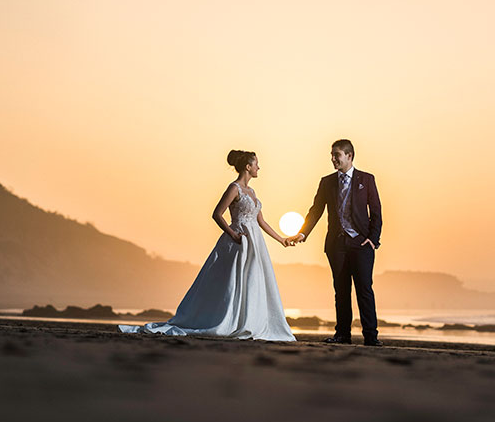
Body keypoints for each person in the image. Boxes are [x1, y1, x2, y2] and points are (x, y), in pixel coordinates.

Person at [118, 150, 296, 342]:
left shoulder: (252, 192)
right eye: (256, 164)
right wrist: (233, 234)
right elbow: (217, 214)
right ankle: (226, 320)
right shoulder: (234, 188)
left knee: (253, 280)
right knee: (231, 282)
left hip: (255, 242)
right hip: (238, 240)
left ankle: (250, 320)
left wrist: (281, 239)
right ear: (248, 166)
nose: (258, 167)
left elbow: (261, 221)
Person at [291, 139, 382, 346]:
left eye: (337, 155)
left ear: (349, 156)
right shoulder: (327, 182)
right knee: (341, 290)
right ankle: (342, 335)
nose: (333, 159)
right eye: (332, 155)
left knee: (364, 289)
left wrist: (373, 240)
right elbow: (316, 210)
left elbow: (376, 212)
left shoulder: (367, 180)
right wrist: (303, 233)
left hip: (361, 244)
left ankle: (371, 336)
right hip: (336, 245)